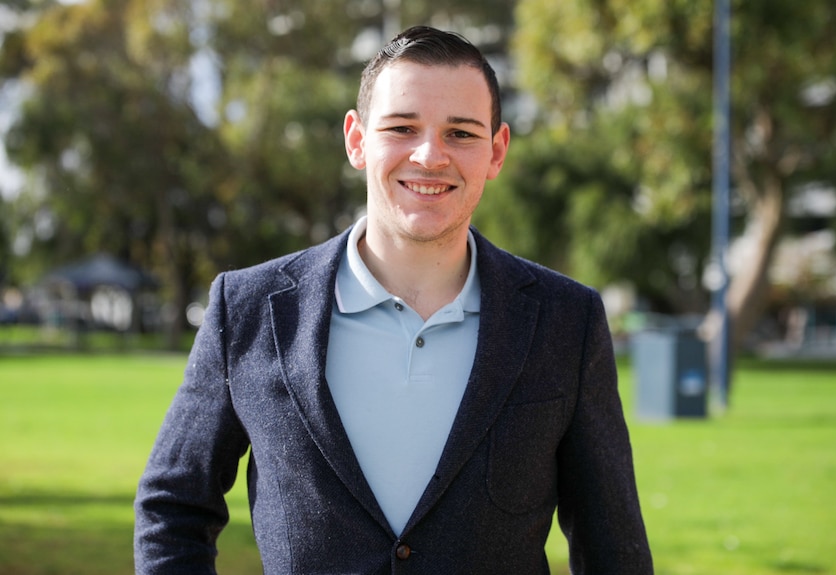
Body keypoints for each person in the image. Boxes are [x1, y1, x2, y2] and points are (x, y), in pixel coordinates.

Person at [134, 25, 653, 574]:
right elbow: (173, 510)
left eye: (461, 133)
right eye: (403, 127)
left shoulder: (565, 321)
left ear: (496, 151)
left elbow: (612, 546)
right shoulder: (247, 309)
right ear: (357, 140)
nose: (430, 156)